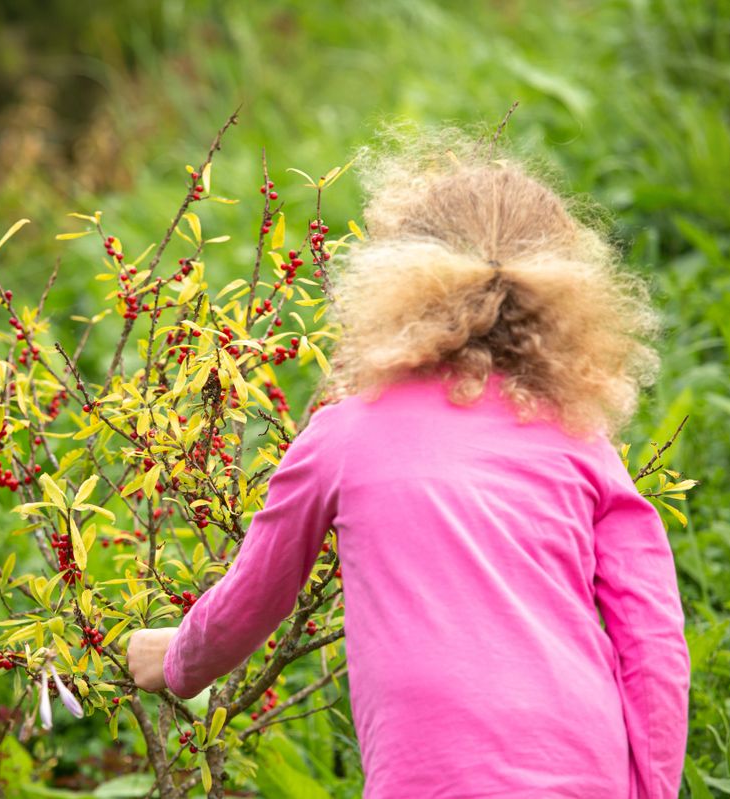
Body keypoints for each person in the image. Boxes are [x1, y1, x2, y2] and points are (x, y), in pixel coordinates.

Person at [126, 131, 691, 798]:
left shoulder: (345, 434)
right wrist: (651, 786)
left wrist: (176, 660)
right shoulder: (581, 441)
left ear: (397, 277)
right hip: (585, 768)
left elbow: (256, 595)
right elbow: (654, 638)